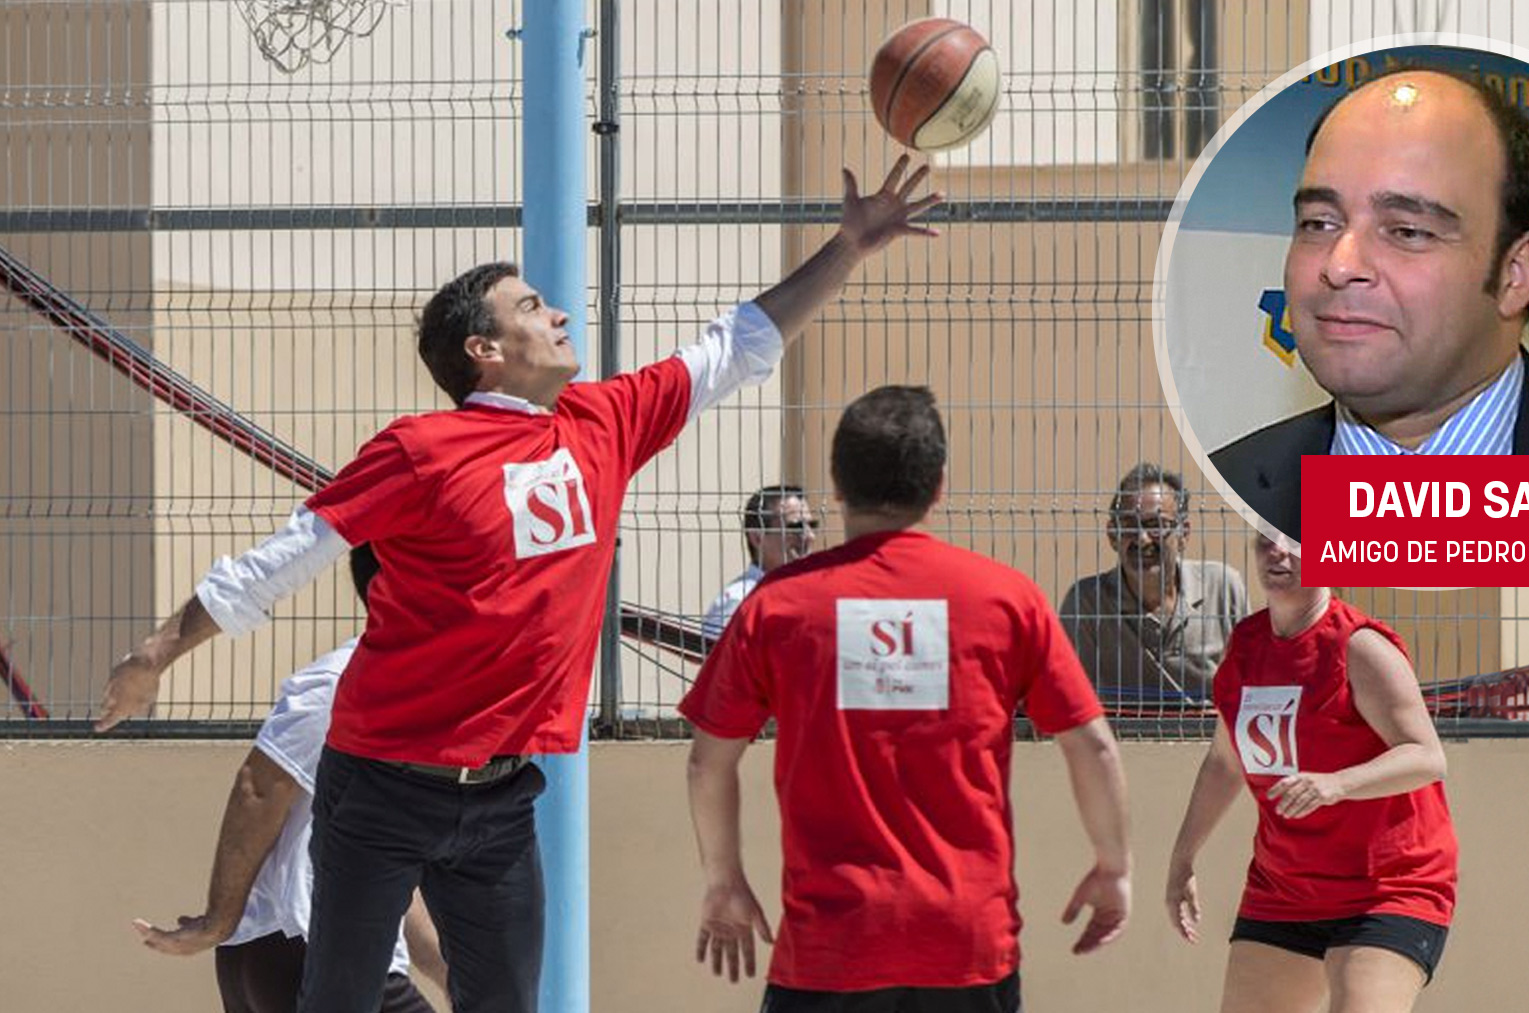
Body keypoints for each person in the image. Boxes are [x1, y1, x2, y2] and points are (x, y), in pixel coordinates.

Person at [94, 154, 944, 1013]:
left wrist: (848, 247)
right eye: (533, 306)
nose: (561, 311)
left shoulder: (605, 421)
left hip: (500, 796)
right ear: (486, 351)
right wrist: (158, 650)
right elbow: (291, 552)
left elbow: (738, 346)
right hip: (382, 779)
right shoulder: (422, 448)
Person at [680, 385, 1132, 1012]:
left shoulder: (778, 606)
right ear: (939, 484)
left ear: (836, 486)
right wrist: (1114, 866)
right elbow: (1094, 748)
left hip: (829, 949)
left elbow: (709, 761)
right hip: (968, 943)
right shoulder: (1005, 599)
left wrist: (724, 881)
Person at [1209, 65, 1529, 542]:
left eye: (1407, 231)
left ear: (1514, 274)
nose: (1340, 264)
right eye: (1318, 223)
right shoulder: (1229, 490)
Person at [131, 545, 448, 1013]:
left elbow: (394, 867)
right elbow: (257, 788)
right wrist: (219, 920)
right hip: (300, 945)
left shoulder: (417, 690)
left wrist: (446, 971)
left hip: (289, 954)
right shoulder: (344, 680)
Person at [1164, 534, 1457, 1013]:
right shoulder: (1247, 645)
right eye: (1265, 539)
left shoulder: (1360, 647)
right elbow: (1224, 762)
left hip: (1387, 888)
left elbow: (1425, 756)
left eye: (1298, 540)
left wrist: (1337, 783)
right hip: (1285, 889)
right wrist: (1182, 858)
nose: (1279, 550)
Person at [1059, 463, 1247, 710]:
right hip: (1123, 743)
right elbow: (1068, 698)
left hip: (1209, 741)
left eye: (1155, 525)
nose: (1142, 538)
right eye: (1129, 525)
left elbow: (1251, 685)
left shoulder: (1222, 588)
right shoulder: (1087, 604)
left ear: (1184, 534)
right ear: (1112, 536)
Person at [701, 484, 818, 640]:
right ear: (757, 538)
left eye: (812, 525)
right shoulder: (739, 601)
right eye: (795, 527)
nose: (810, 536)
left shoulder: (814, 591)